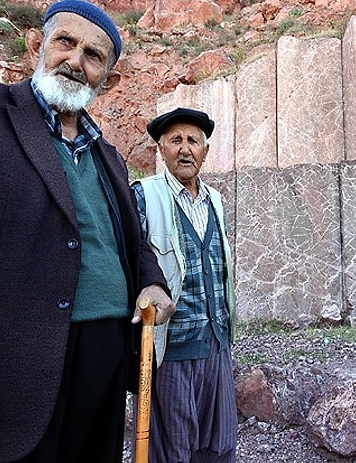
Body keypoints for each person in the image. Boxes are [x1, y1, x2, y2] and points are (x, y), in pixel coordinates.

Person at [0, 0, 175, 463]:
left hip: (107, 361)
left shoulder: (108, 156)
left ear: (107, 80)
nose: (75, 61)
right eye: (65, 43)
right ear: (37, 44)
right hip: (10, 374)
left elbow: (129, 241)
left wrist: (152, 278)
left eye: (93, 55)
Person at [132, 108, 238, 462]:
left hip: (216, 345)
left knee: (219, 446)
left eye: (193, 140)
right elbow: (132, 256)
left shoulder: (216, 201)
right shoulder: (145, 195)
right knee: (172, 450)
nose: (185, 149)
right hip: (171, 349)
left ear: (205, 150)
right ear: (161, 150)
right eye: (175, 140)